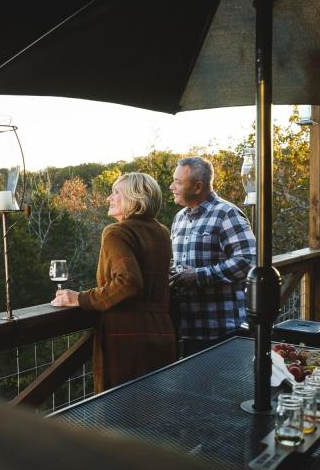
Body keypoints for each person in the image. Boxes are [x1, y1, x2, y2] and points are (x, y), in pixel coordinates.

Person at [51, 172, 175, 392]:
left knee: (120, 414)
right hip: (162, 330)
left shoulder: (117, 232)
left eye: (115, 192)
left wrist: (80, 298)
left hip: (127, 338)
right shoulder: (161, 231)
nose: (109, 198)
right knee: (156, 413)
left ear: (134, 197)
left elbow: (129, 282)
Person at [169, 156, 256, 356]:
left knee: (227, 388)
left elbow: (248, 260)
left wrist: (200, 275)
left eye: (178, 182)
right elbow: (183, 263)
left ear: (198, 187)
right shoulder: (179, 218)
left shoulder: (227, 214)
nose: (171, 186)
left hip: (224, 330)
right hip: (189, 331)